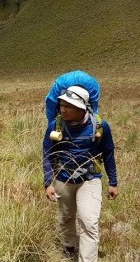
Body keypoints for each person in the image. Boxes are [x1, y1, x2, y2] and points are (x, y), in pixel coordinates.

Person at [43, 85, 118, 261]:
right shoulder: (56, 126)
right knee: (66, 217)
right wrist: (48, 183)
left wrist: (113, 182)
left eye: (68, 106)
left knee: (89, 223)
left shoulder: (100, 126)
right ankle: (69, 247)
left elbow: (108, 152)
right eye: (62, 104)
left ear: (81, 107)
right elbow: (47, 153)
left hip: (90, 179)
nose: (63, 109)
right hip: (63, 179)